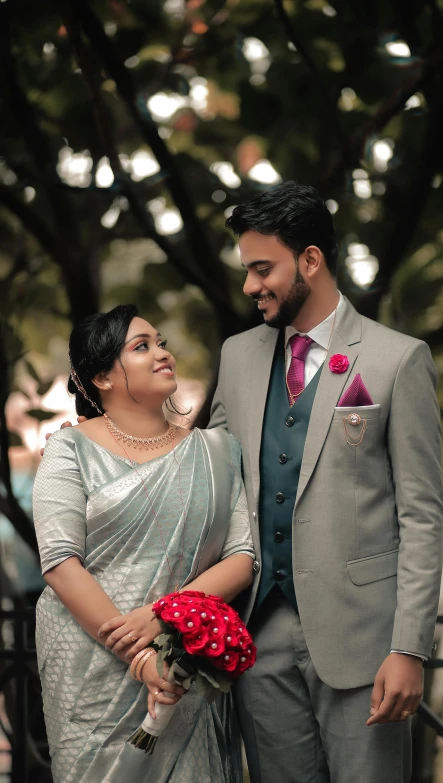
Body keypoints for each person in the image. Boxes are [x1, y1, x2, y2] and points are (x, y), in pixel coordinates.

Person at [208, 181, 443, 782]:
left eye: (263, 268)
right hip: (258, 637)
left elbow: (421, 515)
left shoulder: (397, 359)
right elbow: (205, 477)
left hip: (363, 642)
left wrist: (409, 648)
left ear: (310, 260)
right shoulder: (237, 355)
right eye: (245, 269)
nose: (249, 287)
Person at [33, 304, 255, 783]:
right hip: (89, 668)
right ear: (102, 377)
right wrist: (139, 657)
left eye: (161, 343)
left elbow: (242, 556)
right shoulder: (68, 449)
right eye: (142, 347)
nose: (162, 354)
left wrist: (167, 619)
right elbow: (59, 561)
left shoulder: (216, 452)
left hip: (182, 660)